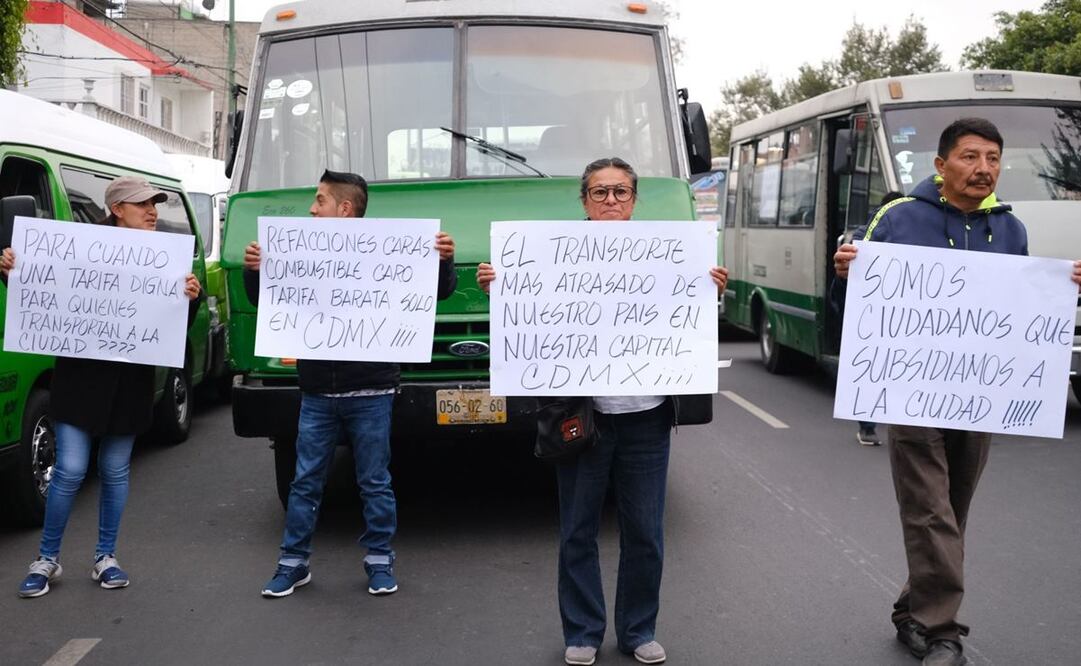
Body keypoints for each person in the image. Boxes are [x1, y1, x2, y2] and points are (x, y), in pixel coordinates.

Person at [834, 118, 1081, 666]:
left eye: (993, 158)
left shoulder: (1011, 230)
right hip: (911, 391)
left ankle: (912, 611)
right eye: (971, 157)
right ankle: (943, 631)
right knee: (929, 511)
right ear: (941, 165)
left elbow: (1019, 314)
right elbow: (851, 312)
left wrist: (1062, 291)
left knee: (952, 510)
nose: (984, 168)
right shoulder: (896, 217)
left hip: (979, 396)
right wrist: (845, 277)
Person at [477, 157, 728, 666]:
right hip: (583, 415)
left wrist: (711, 289)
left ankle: (638, 630)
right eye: (599, 193)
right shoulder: (550, 258)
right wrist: (501, 288)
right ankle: (584, 631)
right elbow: (531, 321)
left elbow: (688, 318)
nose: (610, 200)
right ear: (584, 202)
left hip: (647, 418)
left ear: (634, 199)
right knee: (577, 530)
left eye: (619, 192)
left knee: (645, 533)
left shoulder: (670, 254)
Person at [246, 169, 457, 599]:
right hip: (318, 392)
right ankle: (293, 562)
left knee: (374, 481)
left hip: (372, 392)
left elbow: (434, 293)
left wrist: (444, 261)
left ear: (344, 209)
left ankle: (380, 560)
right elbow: (266, 298)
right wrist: (256, 271)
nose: (311, 208)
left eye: (319, 200)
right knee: (305, 481)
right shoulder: (299, 251)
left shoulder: (390, 250)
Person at [2, 176, 203, 598]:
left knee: (114, 471)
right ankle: (46, 559)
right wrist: (12, 272)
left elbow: (172, 327)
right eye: (142, 204)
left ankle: (105, 557)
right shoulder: (79, 249)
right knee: (71, 469)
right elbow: (40, 298)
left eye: (154, 204)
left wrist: (190, 297)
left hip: (129, 385)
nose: (152, 211)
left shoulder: (164, 257)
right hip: (80, 382)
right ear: (117, 209)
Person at [854, 191, 905, 448]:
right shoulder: (867, 235)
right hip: (879, 317)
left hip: (901, 318)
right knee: (875, 370)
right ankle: (867, 426)